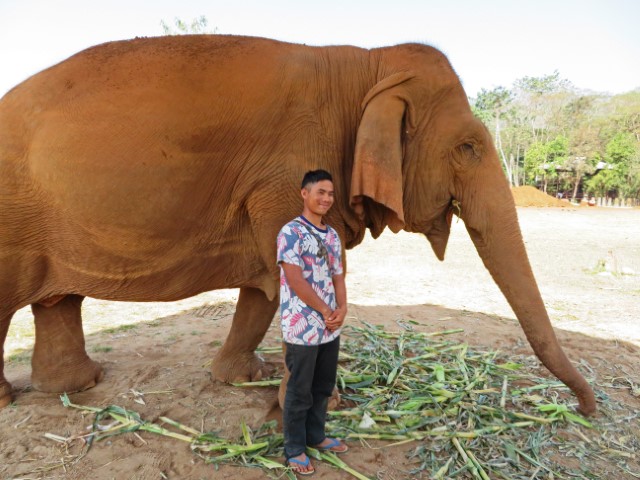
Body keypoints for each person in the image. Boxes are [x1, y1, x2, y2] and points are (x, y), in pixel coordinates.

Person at [277, 169, 348, 475]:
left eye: (330, 194)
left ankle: (316, 436)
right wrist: (324, 309)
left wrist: (342, 308)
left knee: (322, 386)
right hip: (302, 326)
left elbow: (337, 275)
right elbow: (295, 279)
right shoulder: (291, 233)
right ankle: (294, 448)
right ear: (304, 193)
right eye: (320, 192)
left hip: (329, 326)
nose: (326, 199)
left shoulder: (331, 235)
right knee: (299, 389)